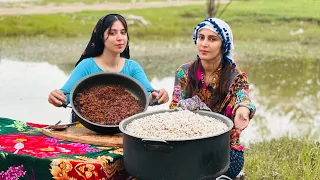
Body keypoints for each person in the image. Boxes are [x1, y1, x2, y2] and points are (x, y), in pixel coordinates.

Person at [169, 18, 256, 179]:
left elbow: (243, 98)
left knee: (230, 165)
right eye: (201, 37)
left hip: (222, 147)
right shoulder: (183, 72)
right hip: (188, 141)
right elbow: (175, 106)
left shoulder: (235, 76)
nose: (204, 43)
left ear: (224, 45)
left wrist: (243, 110)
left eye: (212, 39)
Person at [48, 14, 169, 121]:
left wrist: (157, 97)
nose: (120, 38)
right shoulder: (87, 66)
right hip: (87, 129)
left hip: (122, 130)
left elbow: (148, 95)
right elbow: (67, 96)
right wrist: (57, 98)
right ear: (101, 37)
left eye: (123, 32)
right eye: (112, 33)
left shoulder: (132, 67)